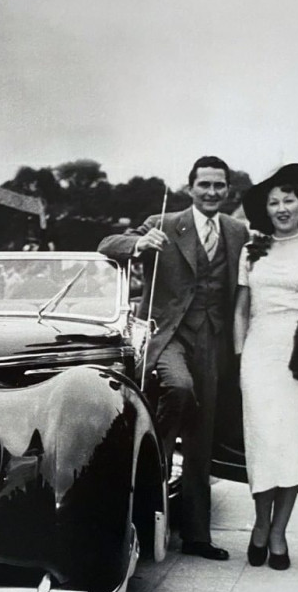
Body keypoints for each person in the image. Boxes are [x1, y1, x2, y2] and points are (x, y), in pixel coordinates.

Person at [99, 156, 250, 560]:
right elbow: (106, 246)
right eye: (205, 185)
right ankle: (159, 449)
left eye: (220, 186)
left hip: (214, 341)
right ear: (190, 187)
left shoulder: (238, 231)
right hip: (169, 336)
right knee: (179, 388)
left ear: (228, 190)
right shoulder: (163, 222)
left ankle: (198, 536)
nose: (213, 192)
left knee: (203, 437)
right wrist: (139, 243)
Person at [233, 163, 298, 570]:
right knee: (264, 443)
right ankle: (260, 524)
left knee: (292, 444)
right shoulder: (251, 248)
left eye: (288, 199)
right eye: (273, 201)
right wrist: (241, 355)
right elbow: (241, 309)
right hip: (259, 352)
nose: (281, 207)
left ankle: (279, 532)